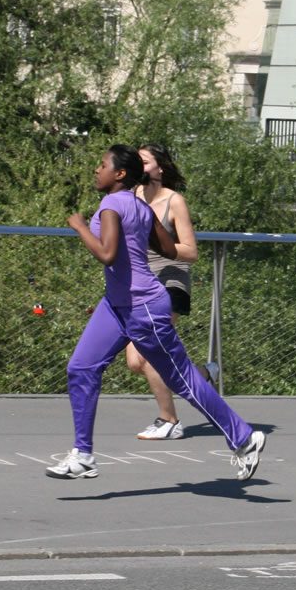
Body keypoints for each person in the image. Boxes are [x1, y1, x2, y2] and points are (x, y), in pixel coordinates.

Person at [52, 145, 266, 482]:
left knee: (182, 379)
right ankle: (82, 455)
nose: (96, 169)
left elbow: (107, 255)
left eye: (102, 164)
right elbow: (167, 249)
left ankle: (244, 437)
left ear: (119, 174)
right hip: (116, 305)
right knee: (81, 367)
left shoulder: (111, 203)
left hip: (142, 306)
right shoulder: (139, 206)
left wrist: (79, 226)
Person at [125, 144, 199, 441]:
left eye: (143, 162)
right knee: (134, 362)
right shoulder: (130, 197)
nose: (138, 167)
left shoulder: (174, 201)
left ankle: (169, 421)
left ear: (160, 168)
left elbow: (191, 252)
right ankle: (201, 377)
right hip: (141, 283)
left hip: (170, 281)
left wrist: (159, 246)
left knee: (149, 354)